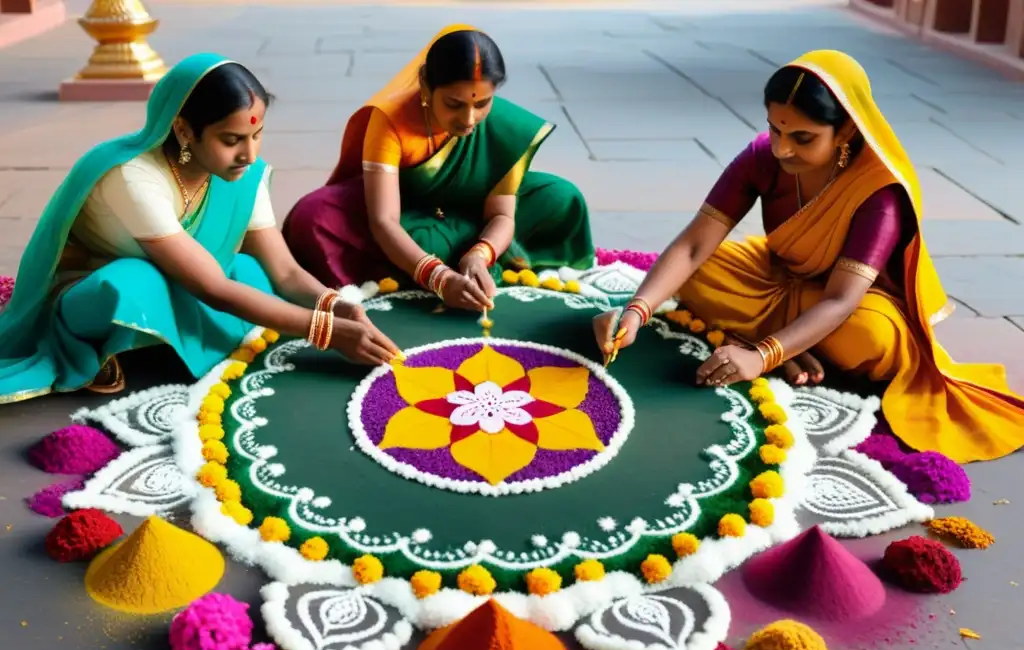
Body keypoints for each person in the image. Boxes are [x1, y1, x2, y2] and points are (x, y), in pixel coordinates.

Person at [593, 50, 1024, 463]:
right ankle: (796, 343)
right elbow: (693, 245)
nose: (782, 149)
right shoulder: (763, 156)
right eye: (776, 129)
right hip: (779, 275)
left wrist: (759, 356)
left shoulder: (880, 193)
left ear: (848, 130)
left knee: (868, 337)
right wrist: (636, 312)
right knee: (702, 273)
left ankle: (787, 341)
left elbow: (840, 300)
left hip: (854, 302)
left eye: (802, 138)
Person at [0, 53, 399, 405]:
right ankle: (98, 343)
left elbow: (286, 271)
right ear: (184, 130)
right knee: (132, 284)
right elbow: (212, 288)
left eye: (257, 135)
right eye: (232, 139)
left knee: (253, 274)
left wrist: (333, 304)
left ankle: (156, 338)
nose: (249, 153)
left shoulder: (243, 174)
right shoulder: (132, 177)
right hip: (92, 289)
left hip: (187, 276)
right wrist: (325, 331)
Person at [282, 25, 595, 312]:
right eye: (454, 104)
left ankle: (462, 255)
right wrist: (439, 278)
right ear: (425, 86)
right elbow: (384, 221)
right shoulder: (391, 121)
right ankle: (449, 258)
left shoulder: (503, 126)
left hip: (472, 211)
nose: (469, 119)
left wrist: (480, 254)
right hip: (405, 213)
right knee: (312, 217)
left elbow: (501, 215)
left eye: (482, 103)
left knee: (562, 199)